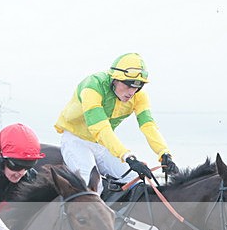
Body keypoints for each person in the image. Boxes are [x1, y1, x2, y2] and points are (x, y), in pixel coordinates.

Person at [54, 52, 178, 194]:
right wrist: (128, 157)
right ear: (115, 79)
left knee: (135, 180)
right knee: (93, 187)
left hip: (102, 144)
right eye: (128, 85)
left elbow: (148, 125)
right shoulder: (93, 85)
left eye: (137, 87)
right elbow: (100, 128)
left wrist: (164, 154)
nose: (132, 92)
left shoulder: (139, 96)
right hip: (76, 141)